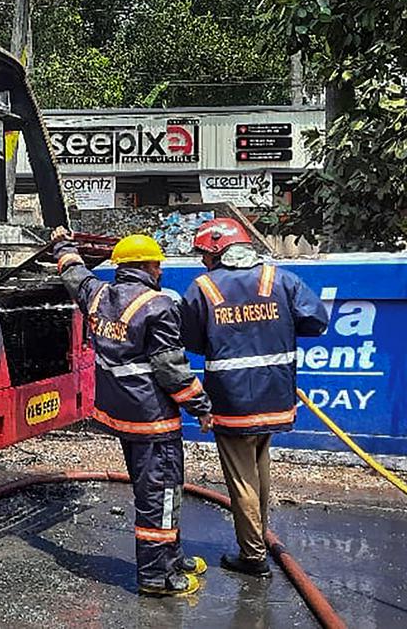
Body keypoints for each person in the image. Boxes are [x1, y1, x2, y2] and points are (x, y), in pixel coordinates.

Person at [51, 228, 212, 597]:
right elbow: (171, 370)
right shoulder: (159, 306)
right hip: (153, 421)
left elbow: (73, 273)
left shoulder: (98, 295)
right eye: (157, 264)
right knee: (162, 493)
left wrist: (63, 244)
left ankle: (172, 555)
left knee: (154, 490)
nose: (159, 270)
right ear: (149, 266)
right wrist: (200, 407)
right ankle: (157, 576)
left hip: (121, 415)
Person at [181, 218, 328, 578]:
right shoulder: (279, 279)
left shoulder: (203, 288)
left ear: (218, 253)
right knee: (259, 469)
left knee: (242, 480)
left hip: (232, 403)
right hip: (275, 396)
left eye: (204, 255)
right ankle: (257, 539)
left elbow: (192, 341)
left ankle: (252, 556)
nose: (202, 263)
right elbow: (317, 322)